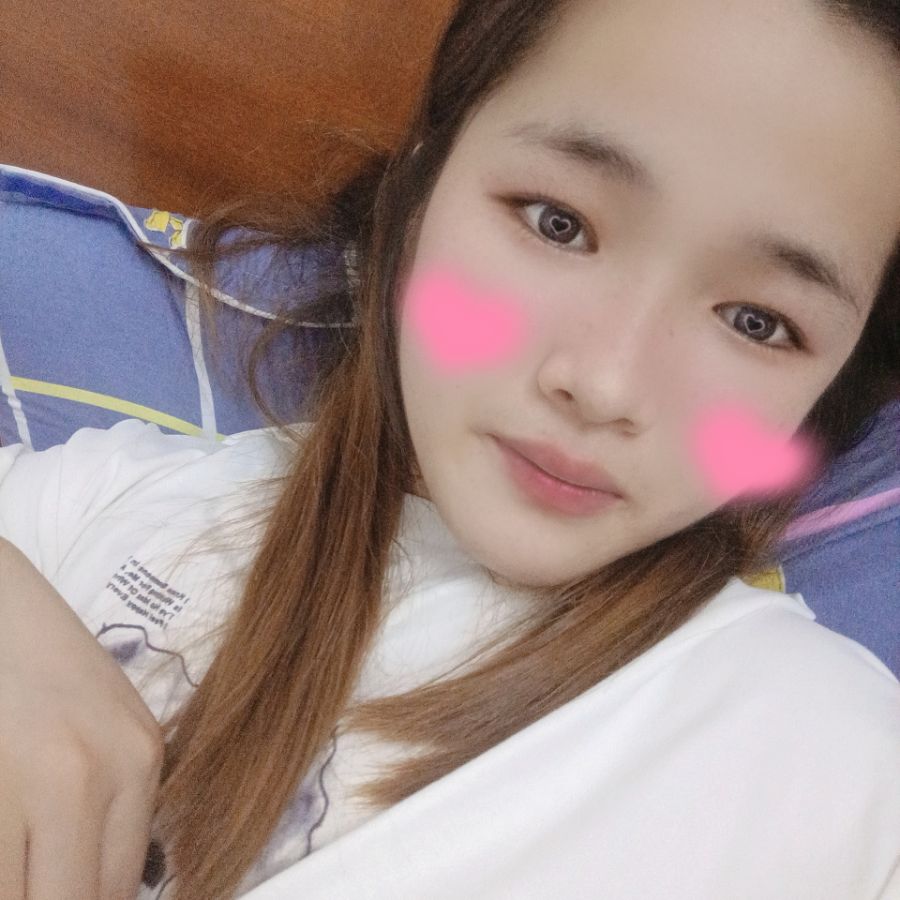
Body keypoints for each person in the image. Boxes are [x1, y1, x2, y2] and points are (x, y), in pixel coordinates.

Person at [1, 0, 899, 897]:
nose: (604, 385)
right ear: (421, 188)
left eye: (757, 322)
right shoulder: (113, 500)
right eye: (556, 222)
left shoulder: (833, 765)